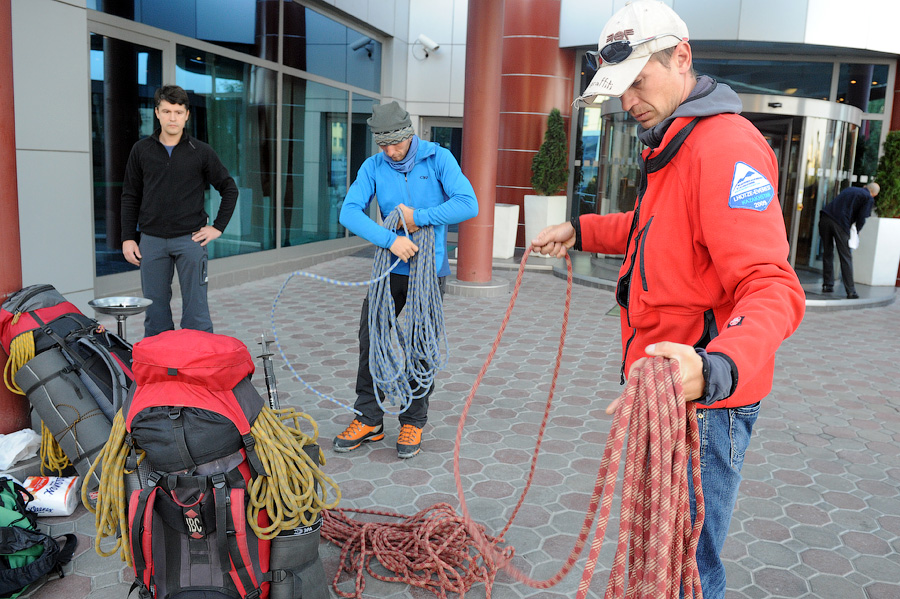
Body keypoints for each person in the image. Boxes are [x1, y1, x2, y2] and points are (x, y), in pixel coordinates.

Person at [531, 2, 806, 597]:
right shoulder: (676, 144)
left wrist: (715, 368)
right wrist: (581, 229)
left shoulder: (723, 148)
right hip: (668, 394)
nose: (627, 101)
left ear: (682, 58)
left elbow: (773, 284)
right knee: (665, 562)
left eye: (637, 81)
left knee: (686, 574)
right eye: (619, 88)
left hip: (703, 406)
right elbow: (653, 229)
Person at [334, 101, 478, 459]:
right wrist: (391, 239)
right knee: (372, 339)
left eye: (394, 144)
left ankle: (413, 420)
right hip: (388, 271)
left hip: (427, 273)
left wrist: (421, 218)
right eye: (382, 145)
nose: (389, 151)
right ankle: (369, 417)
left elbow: (468, 203)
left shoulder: (438, 158)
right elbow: (349, 212)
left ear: (408, 134)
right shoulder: (374, 166)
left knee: (420, 343)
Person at [121, 85, 238, 338]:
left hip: (191, 240)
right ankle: (161, 372)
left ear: (186, 115)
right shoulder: (141, 151)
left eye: (177, 111)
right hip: (151, 241)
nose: (172, 117)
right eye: (166, 111)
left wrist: (217, 227)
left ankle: (199, 370)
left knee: (196, 313)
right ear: (157, 113)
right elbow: (130, 196)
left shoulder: (201, 152)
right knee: (155, 314)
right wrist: (128, 237)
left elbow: (229, 188)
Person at [818, 182, 879, 298]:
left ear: (865, 186)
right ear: (874, 194)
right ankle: (851, 291)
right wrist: (858, 230)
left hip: (825, 218)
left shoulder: (850, 189)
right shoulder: (868, 198)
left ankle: (827, 285)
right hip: (840, 224)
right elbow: (862, 218)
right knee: (846, 257)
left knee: (827, 252)